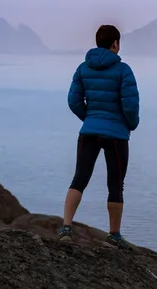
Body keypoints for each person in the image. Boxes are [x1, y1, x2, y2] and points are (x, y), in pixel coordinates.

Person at [58, 24, 140, 249]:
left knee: (79, 178)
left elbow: (74, 101)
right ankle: (114, 235)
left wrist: (90, 118)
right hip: (116, 135)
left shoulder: (83, 68)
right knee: (115, 184)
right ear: (115, 44)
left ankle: (66, 227)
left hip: (89, 131)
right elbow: (130, 105)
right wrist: (129, 125)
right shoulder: (124, 71)